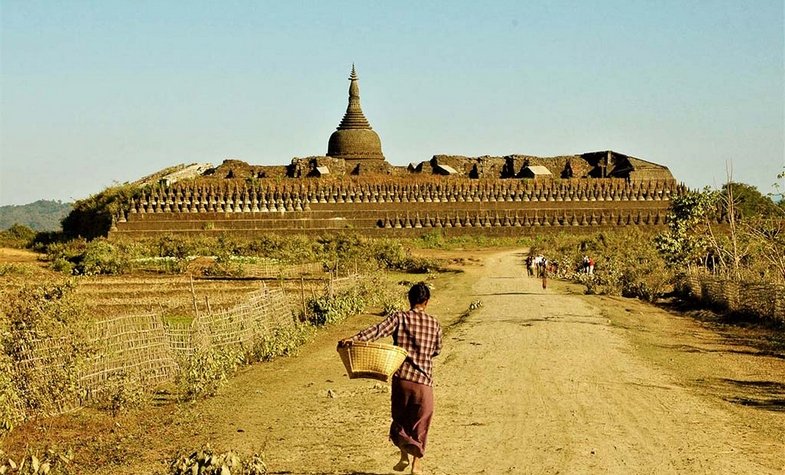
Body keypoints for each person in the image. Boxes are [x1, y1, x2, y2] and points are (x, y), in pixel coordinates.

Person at [338, 282, 443, 474]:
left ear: (409, 300)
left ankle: (403, 455)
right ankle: (415, 465)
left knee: (401, 419)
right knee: (421, 422)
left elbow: (377, 331)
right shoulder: (434, 323)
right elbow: (437, 350)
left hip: (402, 379)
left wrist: (354, 339)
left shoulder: (399, 317)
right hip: (424, 382)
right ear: (426, 301)